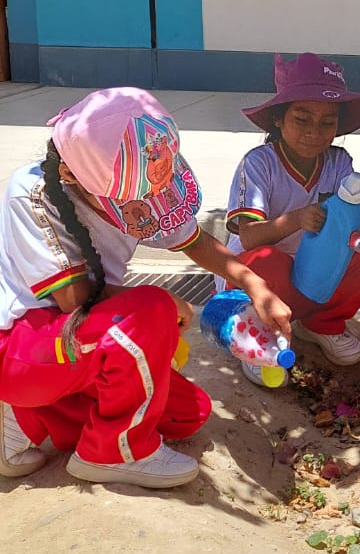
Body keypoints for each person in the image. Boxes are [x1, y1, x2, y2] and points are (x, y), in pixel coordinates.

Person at [0, 88, 291, 490]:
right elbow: (73, 301)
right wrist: (166, 303)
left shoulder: (136, 180)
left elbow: (194, 241)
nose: (149, 203)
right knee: (151, 309)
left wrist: (255, 285)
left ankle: (27, 415)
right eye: (136, 197)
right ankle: (110, 453)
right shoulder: (32, 195)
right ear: (70, 175)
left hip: (73, 349)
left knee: (188, 413)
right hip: (23, 350)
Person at [226, 54, 360, 373]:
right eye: (301, 120)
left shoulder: (338, 162)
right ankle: (258, 334)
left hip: (311, 273)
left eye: (327, 122)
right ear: (278, 119)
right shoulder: (258, 163)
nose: (314, 132)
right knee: (268, 258)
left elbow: (351, 219)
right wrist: (295, 219)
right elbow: (248, 236)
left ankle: (322, 323)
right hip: (258, 279)